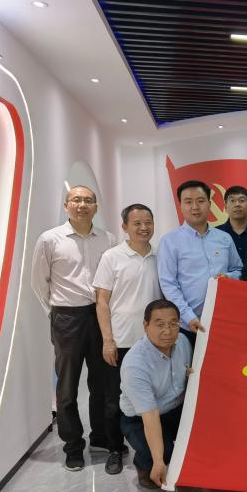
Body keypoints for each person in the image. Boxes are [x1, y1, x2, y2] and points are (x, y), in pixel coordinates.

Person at [31, 185, 119, 472]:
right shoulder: (50, 239)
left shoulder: (108, 239)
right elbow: (38, 282)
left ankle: (100, 437)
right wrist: (55, 313)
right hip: (67, 317)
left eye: (88, 201)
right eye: (76, 200)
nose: (82, 205)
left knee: (102, 382)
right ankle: (73, 446)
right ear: (66, 205)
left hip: (100, 314)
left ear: (96, 207)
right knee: (67, 387)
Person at [91, 203, 161, 474]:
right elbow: (101, 302)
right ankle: (115, 449)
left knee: (151, 399)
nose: (144, 228)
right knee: (115, 400)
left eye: (148, 222)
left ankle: (150, 450)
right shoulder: (112, 257)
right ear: (124, 227)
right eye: (137, 223)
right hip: (121, 341)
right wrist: (107, 340)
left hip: (153, 343)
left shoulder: (159, 256)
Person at [159, 180, 242, 349]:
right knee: (187, 366)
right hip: (187, 325)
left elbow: (238, 269)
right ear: (181, 206)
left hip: (222, 321)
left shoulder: (224, 238)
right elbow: (168, 284)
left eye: (200, 201)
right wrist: (189, 317)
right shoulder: (170, 241)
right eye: (188, 202)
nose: (195, 207)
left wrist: (229, 277)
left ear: (209, 204)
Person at [119, 299, 192, 490]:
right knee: (163, 455)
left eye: (173, 323)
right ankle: (145, 464)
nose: (167, 331)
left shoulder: (183, 342)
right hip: (141, 418)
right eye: (160, 325)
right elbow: (150, 416)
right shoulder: (135, 364)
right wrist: (159, 461)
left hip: (176, 408)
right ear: (146, 326)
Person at [216, 185, 247, 260]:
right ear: (225, 206)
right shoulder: (215, 234)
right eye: (232, 201)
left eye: (242, 200)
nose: (237, 204)